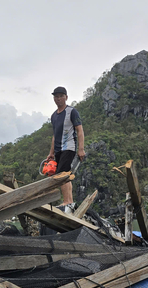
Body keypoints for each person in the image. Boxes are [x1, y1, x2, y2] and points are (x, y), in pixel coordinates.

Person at [46, 86, 85, 214]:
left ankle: (67, 201)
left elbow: (79, 130)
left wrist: (81, 149)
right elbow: (54, 135)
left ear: (66, 97)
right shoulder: (53, 116)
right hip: (58, 149)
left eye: (61, 96)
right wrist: (51, 153)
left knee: (63, 173)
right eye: (56, 96)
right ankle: (69, 200)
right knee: (63, 174)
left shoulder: (72, 112)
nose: (58, 99)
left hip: (69, 146)